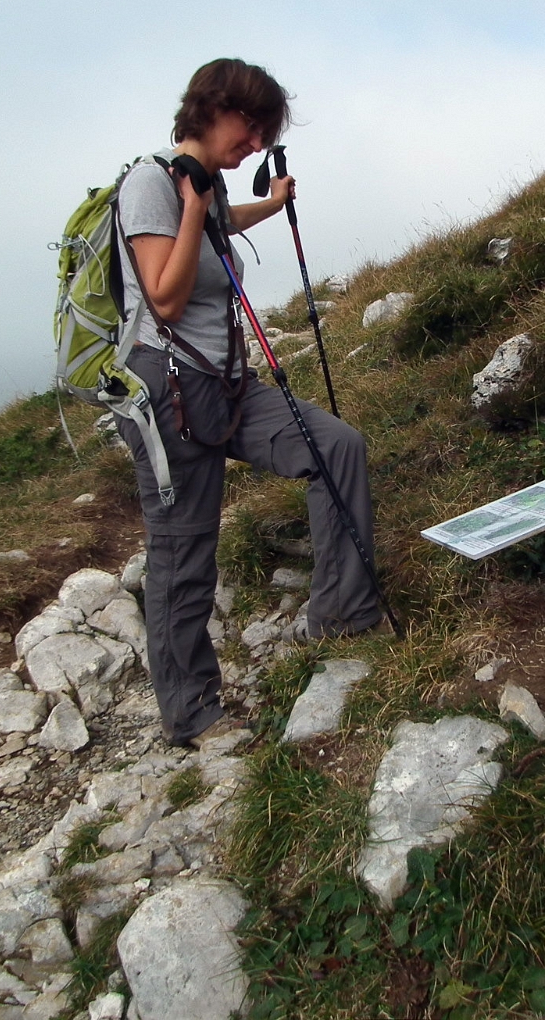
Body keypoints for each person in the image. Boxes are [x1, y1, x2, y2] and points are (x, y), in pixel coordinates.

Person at [114, 58, 382, 748]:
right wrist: (196, 201)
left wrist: (272, 200)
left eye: (266, 133)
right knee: (183, 553)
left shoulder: (210, 191)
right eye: (251, 126)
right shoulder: (152, 184)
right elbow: (164, 297)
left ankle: (343, 613)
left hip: (229, 383)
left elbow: (222, 226)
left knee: (337, 448)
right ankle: (192, 712)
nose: (257, 143)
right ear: (214, 107)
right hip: (168, 390)